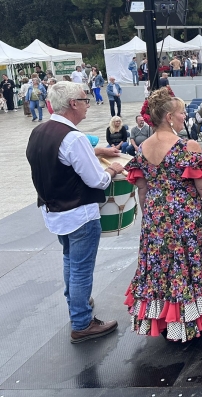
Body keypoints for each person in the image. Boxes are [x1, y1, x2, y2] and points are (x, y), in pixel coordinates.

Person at [26, 81, 124, 343]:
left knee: (70, 260)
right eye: (85, 100)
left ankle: (76, 303)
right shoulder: (74, 137)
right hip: (79, 213)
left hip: (54, 211)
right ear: (73, 104)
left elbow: (60, 159)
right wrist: (113, 169)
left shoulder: (40, 130)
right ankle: (81, 322)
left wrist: (96, 152)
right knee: (81, 268)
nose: (87, 105)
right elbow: (98, 181)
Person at [124, 88, 202, 342]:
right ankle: (190, 319)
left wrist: (149, 217)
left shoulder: (144, 147)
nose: (184, 116)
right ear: (169, 116)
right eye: (181, 113)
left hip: (156, 215)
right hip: (184, 215)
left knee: (162, 268)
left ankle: (166, 320)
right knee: (186, 265)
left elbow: (142, 188)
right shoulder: (187, 146)